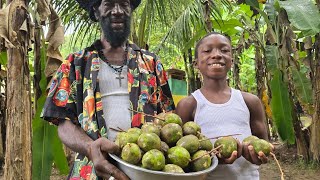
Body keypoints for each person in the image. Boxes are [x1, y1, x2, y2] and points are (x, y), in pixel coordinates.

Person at [41, 0, 175, 179]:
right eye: (110, 4)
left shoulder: (152, 63)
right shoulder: (75, 64)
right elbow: (63, 122)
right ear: (96, 11)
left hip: (147, 169)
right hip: (91, 170)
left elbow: (167, 118)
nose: (118, 11)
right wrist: (90, 147)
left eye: (124, 4)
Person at [175, 32, 270, 180]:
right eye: (207, 51)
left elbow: (264, 144)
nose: (216, 55)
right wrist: (211, 160)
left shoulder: (250, 101)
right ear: (196, 64)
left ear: (231, 61)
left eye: (224, 50)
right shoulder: (188, 105)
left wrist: (258, 156)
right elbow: (179, 154)